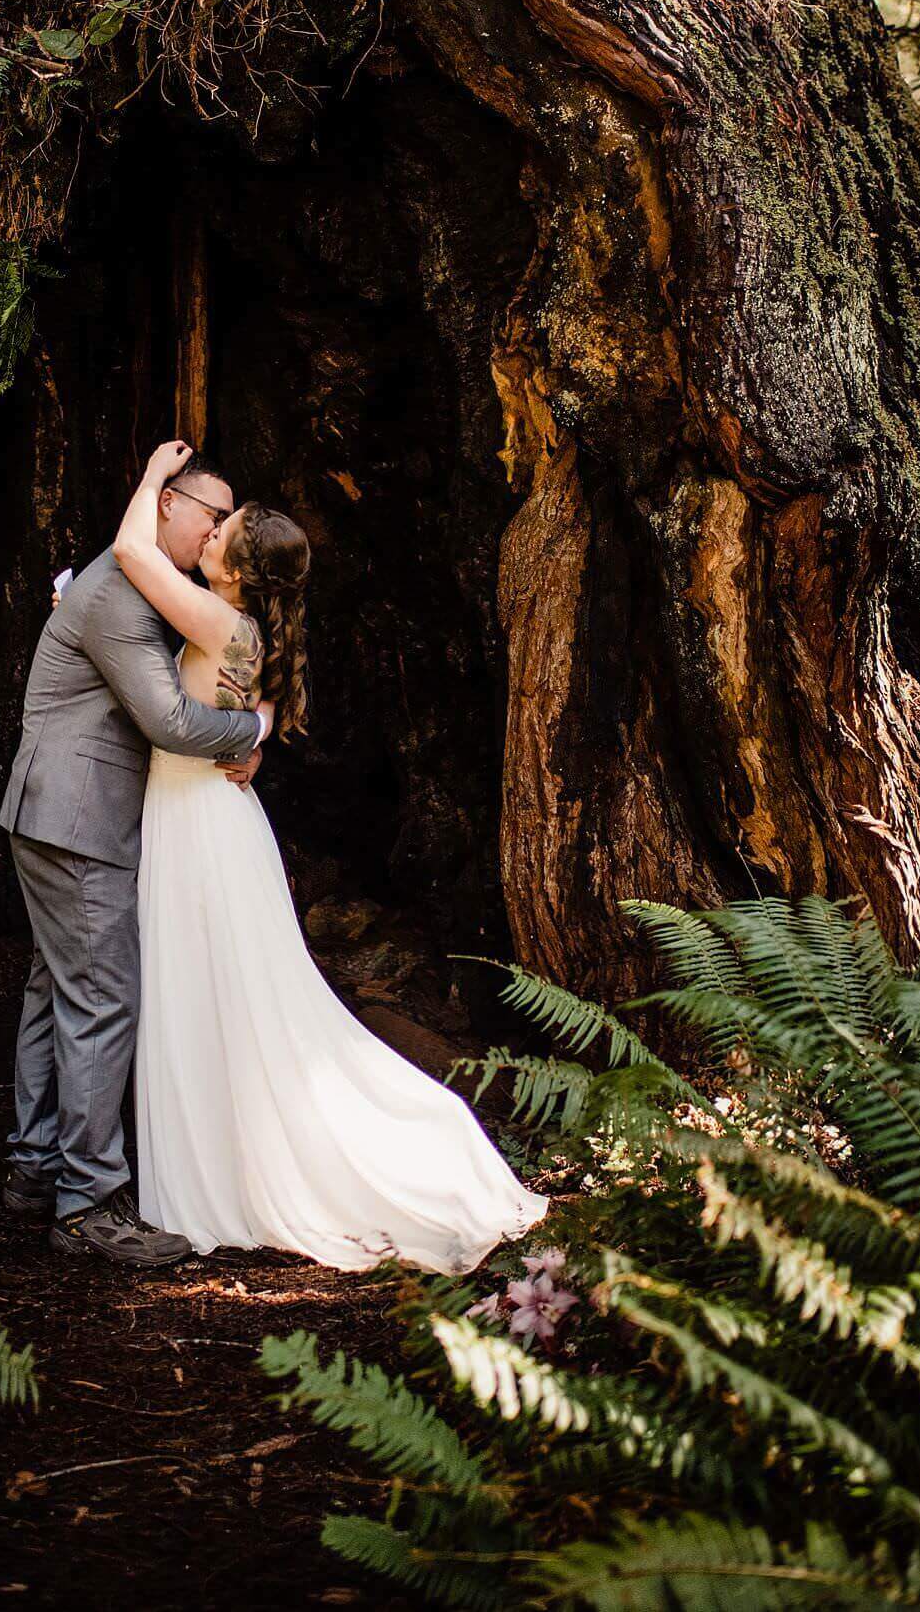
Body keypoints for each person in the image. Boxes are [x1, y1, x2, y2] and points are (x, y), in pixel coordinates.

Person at [114, 439, 550, 1275]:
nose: (204, 538)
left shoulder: (216, 617)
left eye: (220, 536)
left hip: (202, 828)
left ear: (238, 575)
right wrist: (262, 732)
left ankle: (229, 1173)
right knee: (229, 1000)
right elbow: (266, 699)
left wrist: (152, 481)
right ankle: (221, 1156)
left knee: (218, 997)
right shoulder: (249, 628)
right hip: (212, 819)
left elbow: (133, 551)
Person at [0, 449, 272, 1266]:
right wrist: (254, 731)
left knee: (56, 991)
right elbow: (171, 722)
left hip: (57, 813)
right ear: (168, 506)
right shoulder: (120, 593)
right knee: (104, 997)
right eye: (211, 517)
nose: (219, 533)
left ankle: (34, 1169)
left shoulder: (136, 587)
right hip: (81, 820)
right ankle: (87, 1204)